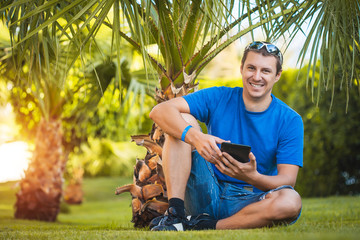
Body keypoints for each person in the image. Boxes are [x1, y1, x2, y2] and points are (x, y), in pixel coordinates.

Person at [149, 41, 304, 231]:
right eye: (251, 68)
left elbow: (287, 181)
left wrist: (252, 176)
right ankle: (175, 215)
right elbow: (159, 111)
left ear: (277, 75)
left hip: (250, 202)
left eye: (265, 71)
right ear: (241, 69)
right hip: (206, 190)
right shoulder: (220, 96)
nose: (256, 77)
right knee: (181, 121)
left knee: (291, 201)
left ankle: (203, 226)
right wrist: (196, 137)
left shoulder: (290, 120)